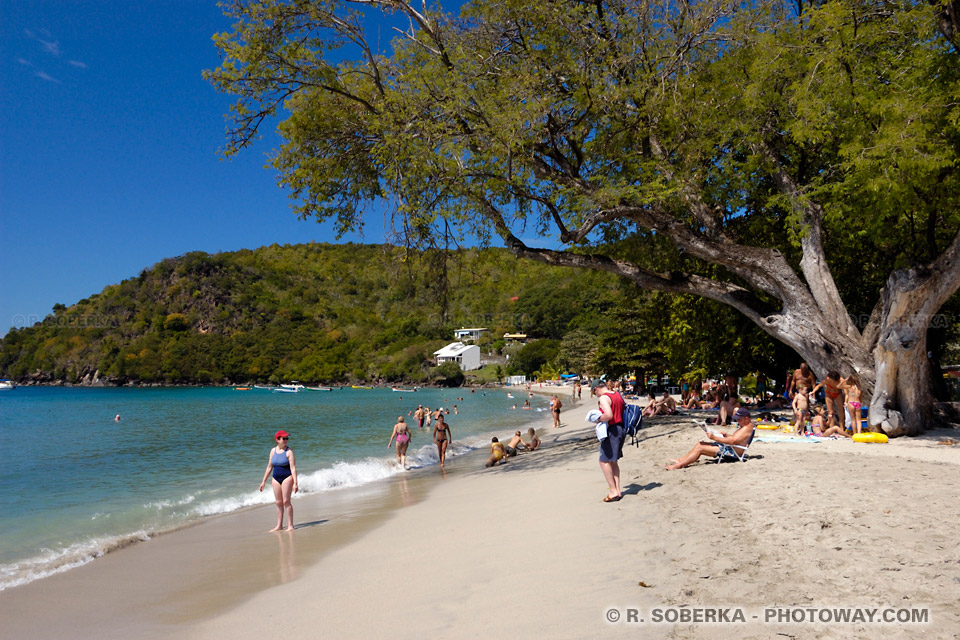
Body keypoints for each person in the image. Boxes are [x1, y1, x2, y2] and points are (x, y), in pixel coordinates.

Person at [666, 408, 755, 470]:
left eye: (739, 419)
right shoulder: (746, 426)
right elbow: (736, 439)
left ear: (746, 418)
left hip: (731, 453)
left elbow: (733, 441)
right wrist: (726, 435)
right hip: (730, 448)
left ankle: (679, 466)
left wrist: (714, 437)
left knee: (700, 448)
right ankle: (680, 460)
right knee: (699, 444)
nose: (737, 421)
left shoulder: (746, 428)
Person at [259, 430, 299, 531]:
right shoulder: (273, 451)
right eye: (284, 438)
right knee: (278, 502)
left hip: (287, 477)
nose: (286, 440)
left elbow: (293, 468)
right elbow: (269, 467)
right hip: (275, 478)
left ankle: (290, 525)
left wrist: (295, 483)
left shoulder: (289, 452)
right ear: (277, 440)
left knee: (286, 501)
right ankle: (279, 525)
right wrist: (263, 481)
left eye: (287, 438)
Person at [593, 380, 625, 502]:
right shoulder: (616, 394)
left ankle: (613, 491)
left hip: (612, 430)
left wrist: (597, 419)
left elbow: (609, 415)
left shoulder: (604, 398)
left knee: (604, 460)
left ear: (596, 388)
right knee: (613, 461)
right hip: (621, 428)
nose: (595, 394)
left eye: (594, 392)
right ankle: (617, 490)